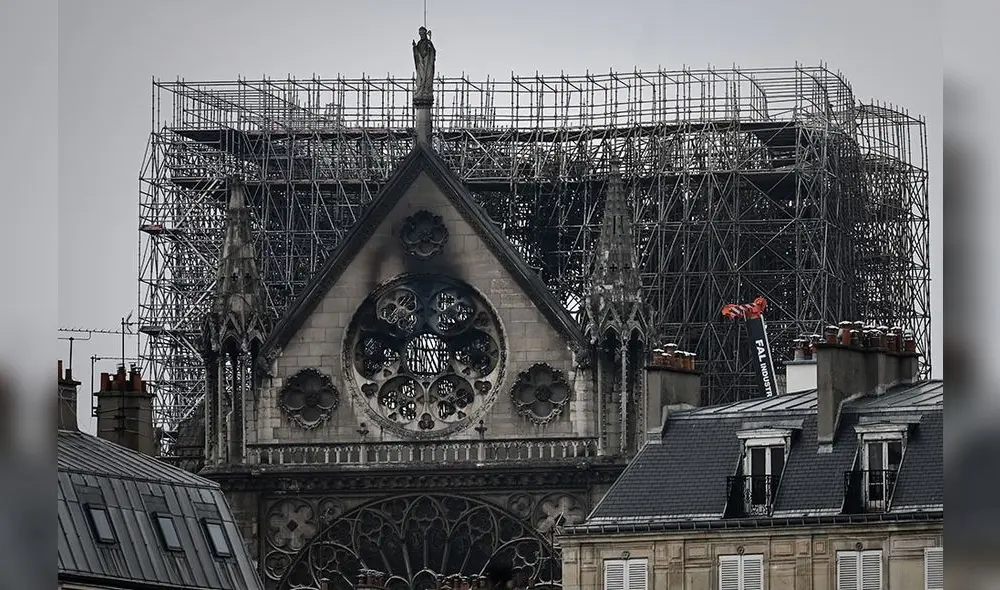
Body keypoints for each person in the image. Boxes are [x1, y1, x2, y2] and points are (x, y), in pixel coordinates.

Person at [412, 26, 436, 102]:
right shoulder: (419, 43)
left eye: (422, 34)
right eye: (420, 34)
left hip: (427, 64)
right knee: (420, 77)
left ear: (425, 34)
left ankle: (426, 90)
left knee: (428, 76)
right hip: (421, 65)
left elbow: (433, 53)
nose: (421, 35)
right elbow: (417, 55)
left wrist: (430, 49)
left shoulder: (429, 42)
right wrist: (415, 47)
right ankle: (420, 90)